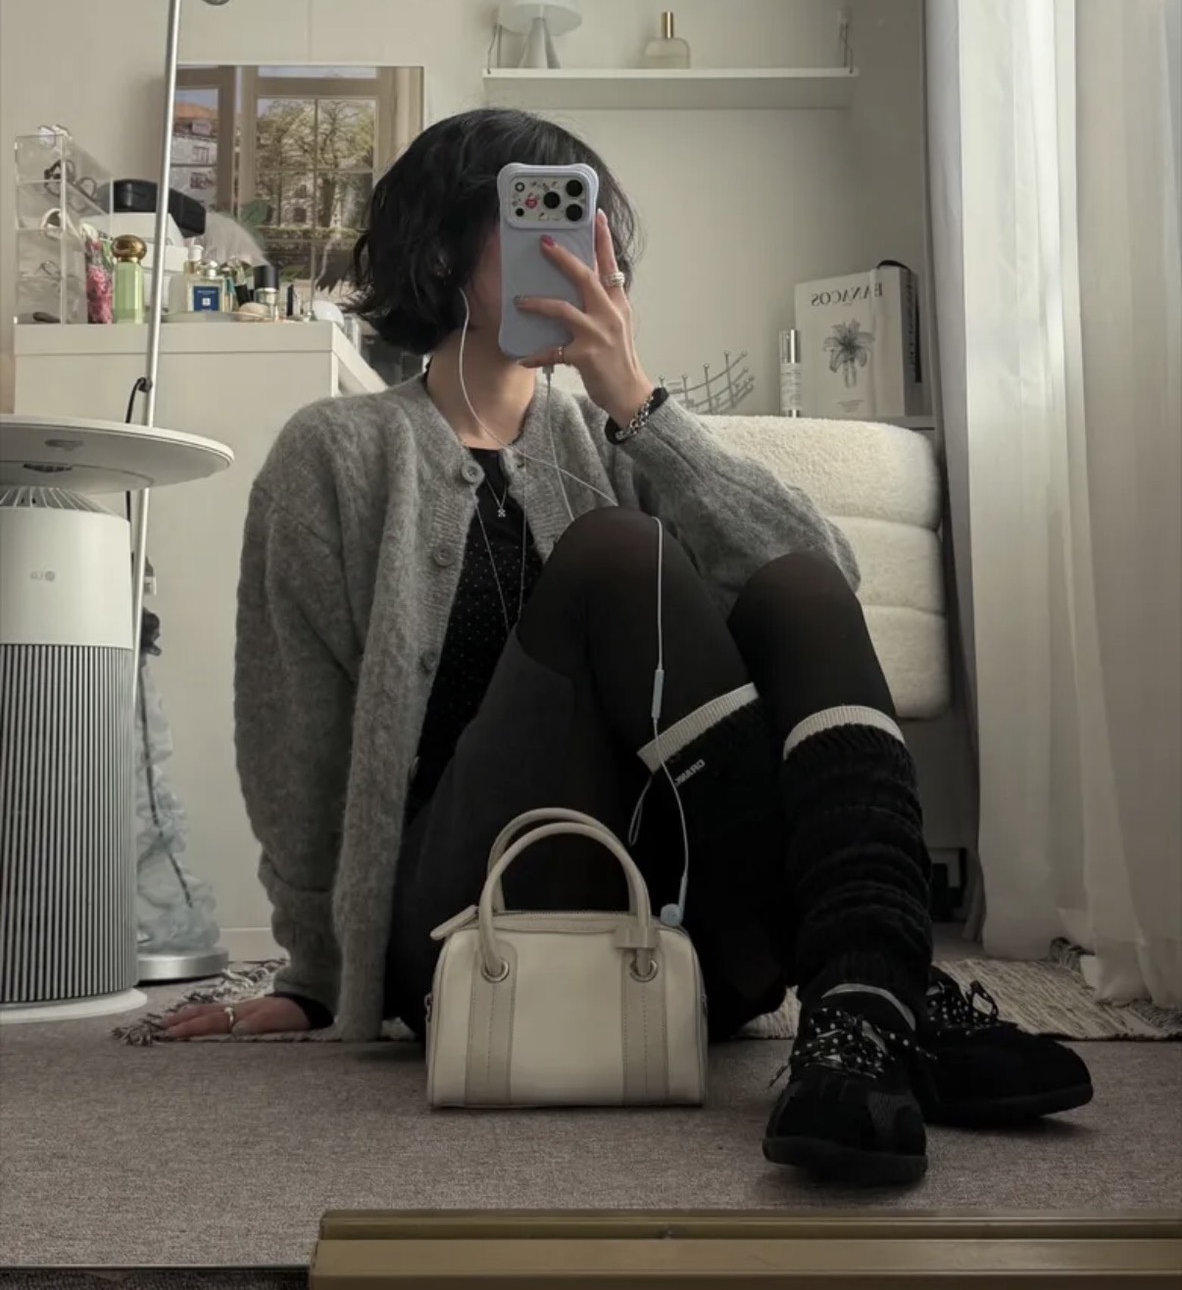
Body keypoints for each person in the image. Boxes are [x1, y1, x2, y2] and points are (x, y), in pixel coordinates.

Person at [166, 109, 1092, 1186]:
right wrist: (318, 973)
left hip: (675, 934)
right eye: (539, 224)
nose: (577, 255)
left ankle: (863, 1002)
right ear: (442, 252)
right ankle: (887, 987)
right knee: (614, 552)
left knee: (791, 581)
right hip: (466, 943)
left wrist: (636, 403)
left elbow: (828, 576)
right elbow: (294, 739)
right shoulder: (335, 453)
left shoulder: (610, 442)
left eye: (591, 230)